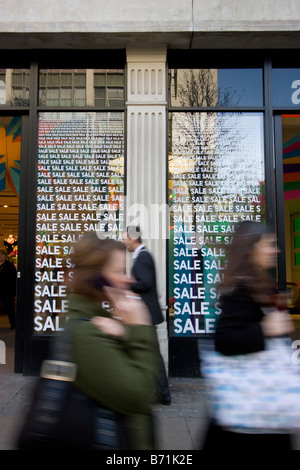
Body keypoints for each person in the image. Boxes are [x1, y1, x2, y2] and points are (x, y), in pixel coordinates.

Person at [202, 221, 294, 450]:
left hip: (256, 412)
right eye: (270, 245)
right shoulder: (242, 288)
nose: (277, 251)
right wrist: (265, 329)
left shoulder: (254, 283)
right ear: (251, 248)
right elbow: (225, 340)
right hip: (251, 413)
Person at [66, 232, 159, 450]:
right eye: (119, 272)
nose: (129, 280)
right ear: (96, 278)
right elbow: (140, 395)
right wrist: (139, 329)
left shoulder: (101, 321)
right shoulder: (87, 334)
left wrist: (124, 333)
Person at [122, 226, 171, 405]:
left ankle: (162, 393)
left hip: (146, 315)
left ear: (134, 239)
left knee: (152, 355)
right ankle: (158, 392)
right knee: (151, 354)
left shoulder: (143, 256)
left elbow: (145, 283)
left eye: (125, 238)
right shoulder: (141, 256)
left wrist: (127, 285)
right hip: (144, 315)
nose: (124, 241)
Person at [0, 249, 16, 329]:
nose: (0, 256)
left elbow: (14, 278)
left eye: (2, 255)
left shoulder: (9, 265)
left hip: (8, 290)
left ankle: (13, 323)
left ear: (5, 256)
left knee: (9, 307)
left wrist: (14, 291)